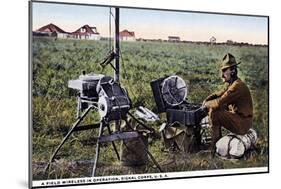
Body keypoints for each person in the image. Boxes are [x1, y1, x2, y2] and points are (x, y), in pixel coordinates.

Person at [202, 53, 253, 155]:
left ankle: (214, 148)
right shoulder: (232, 83)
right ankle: (217, 143)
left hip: (242, 124)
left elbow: (219, 102)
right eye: (222, 70)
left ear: (233, 71)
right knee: (215, 108)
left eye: (225, 71)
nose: (222, 75)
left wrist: (206, 105)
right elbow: (218, 94)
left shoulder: (237, 86)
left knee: (215, 112)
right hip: (240, 120)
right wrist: (207, 99)